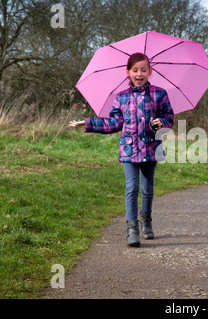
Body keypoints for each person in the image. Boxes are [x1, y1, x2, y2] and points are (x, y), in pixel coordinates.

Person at [69, 52, 174, 247]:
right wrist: (89, 122)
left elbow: (169, 117)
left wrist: (161, 123)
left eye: (143, 69)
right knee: (132, 187)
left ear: (150, 71)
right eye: (135, 70)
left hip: (151, 147)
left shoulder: (159, 94)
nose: (139, 73)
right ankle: (132, 229)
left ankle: (146, 221)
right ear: (128, 72)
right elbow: (114, 123)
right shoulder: (122, 97)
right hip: (129, 150)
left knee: (147, 188)